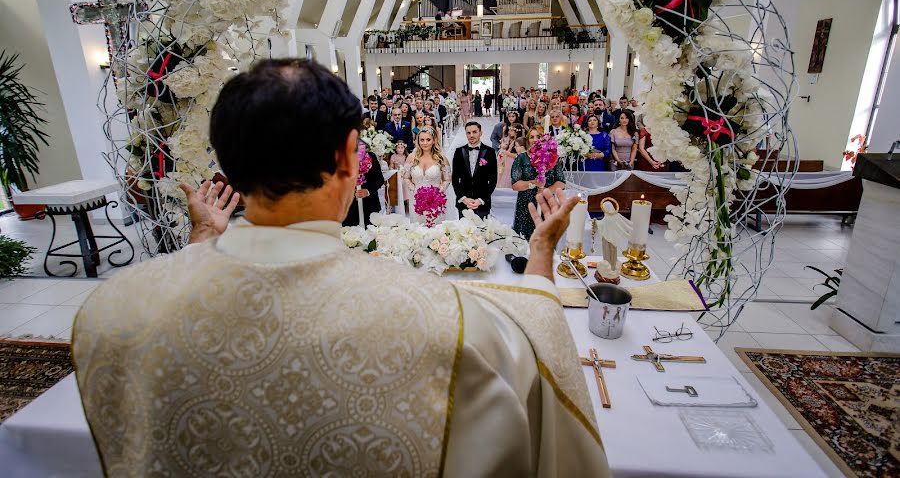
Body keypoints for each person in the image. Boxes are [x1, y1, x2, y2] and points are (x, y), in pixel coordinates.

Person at [72, 58, 609, 476]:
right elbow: (536, 359)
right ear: (351, 158)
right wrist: (540, 258)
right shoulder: (452, 322)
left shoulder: (113, 309)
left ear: (229, 162)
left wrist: (199, 249)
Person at [512, 127, 566, 240]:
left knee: (546, 241)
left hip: (547, 203)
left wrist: (546, 190)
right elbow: (515, 184)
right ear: (528, 140)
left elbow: (561, 182)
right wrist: (533, 183)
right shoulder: (521, 158)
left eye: (538, 136)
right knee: (524, 242)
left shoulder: (552, 157)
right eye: (532, 137)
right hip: (526, 206)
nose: (535, 139)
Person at [404, 127, 451, 224]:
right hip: (416, 200)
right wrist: (414, 190)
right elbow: (406, 177)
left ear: (434, 140)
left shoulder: (441, 158)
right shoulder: (411, 157)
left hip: (435, 201)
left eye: (428, 140)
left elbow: (447, 179)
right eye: (422, 140)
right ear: (418, 141)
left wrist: (438, 192)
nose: (425, 143)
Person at [451, 121, 497, 219]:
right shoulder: (459, 152)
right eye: (468, 133)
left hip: (482, 203)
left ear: (480, 132)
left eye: (474, 132)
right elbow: (455, 179)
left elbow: (493, 179)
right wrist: (463, 198)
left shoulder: (490, 152)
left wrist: (481, 200)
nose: (471, 135)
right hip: (464, 204)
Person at [343, 145, 385, 227]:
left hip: (370, 206)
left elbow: (379, 179)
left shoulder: (370, 156)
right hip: (348, 209)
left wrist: (368, 191)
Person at [497, 124, 525, 189]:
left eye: (512, 130)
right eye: (509, 130)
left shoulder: (518, 141)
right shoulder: (511, 140)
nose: (510, 131)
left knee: (509, 177)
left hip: (512, 163)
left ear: (517, 132)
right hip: (507, 162)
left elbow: (519, 155)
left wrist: (507, 153)